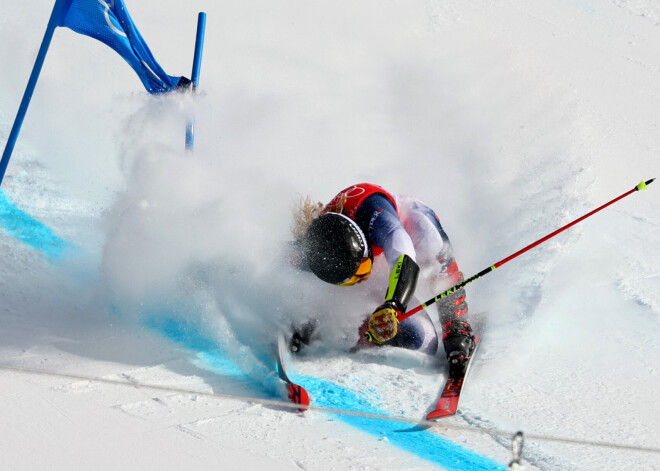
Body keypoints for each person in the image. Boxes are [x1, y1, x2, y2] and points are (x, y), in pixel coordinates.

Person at [290, 183, 475, 368]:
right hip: (363, 262)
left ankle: (455, 325)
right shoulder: (320, 237)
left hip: (395, 268)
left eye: (360, 273)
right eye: (350, 281)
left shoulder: (400, 229)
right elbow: (286, 262)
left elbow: (408, 261)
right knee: (307, 275)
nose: (359, 281)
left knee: (423, 341)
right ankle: (313, 321)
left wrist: (393, 306)